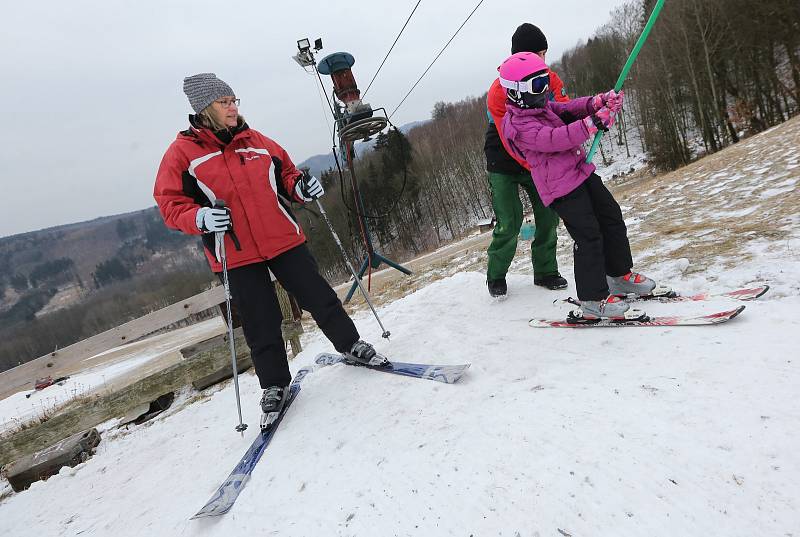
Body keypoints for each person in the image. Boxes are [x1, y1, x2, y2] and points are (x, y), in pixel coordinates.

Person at [154, 73, 380, 424]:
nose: (233, 108)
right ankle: (274, 384)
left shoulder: (255, 140)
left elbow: (287, 174)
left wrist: (302, 188)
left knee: (319, 297)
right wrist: (199, 217)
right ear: (205, 109)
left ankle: (350, 345)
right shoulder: (182, 154)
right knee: (260, 321)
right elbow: (169, 204)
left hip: (282, 238)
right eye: (224, 102)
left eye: (234, 100)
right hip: (235, 251)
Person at [498, 52, 658, 319]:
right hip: (560, 188)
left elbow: (566, 109)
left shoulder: (540, 107)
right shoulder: (517, 124)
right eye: (538, 85)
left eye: (545, 80)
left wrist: (597, 102)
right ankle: (592, 298)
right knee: (589, 235)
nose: (545, 89)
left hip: (579, 172)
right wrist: (592, 123)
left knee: (611, 215)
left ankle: (618, 275)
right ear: (516, 92)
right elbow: (553, 138)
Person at [484, 23, 569, 298]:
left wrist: (589, 119)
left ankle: (545, 271)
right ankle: (496, 276)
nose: (544, 61)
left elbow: (564, 110)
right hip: (505, 159)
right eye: (539, 54)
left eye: (545, 54)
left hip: (537, 154)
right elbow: (511, 141)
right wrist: (541, 162)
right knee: (510, 221)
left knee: (548, 215)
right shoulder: (498, 91)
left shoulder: (550, 79)